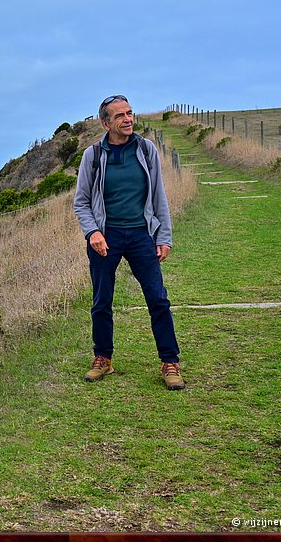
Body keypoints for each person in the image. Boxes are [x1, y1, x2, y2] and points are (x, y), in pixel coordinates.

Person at [72, 94, 185, 390]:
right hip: (104, 238)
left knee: (158, 299)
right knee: (101, 301)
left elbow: (159, 197)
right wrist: (92, 232)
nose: (128, 119)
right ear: (105, 122)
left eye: (130, 113)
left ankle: (169, 362)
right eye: (120, 115)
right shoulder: (93, 155)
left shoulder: (146, 150)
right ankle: (103, 359)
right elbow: (81, 202)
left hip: (140, 235)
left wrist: (164, 237)